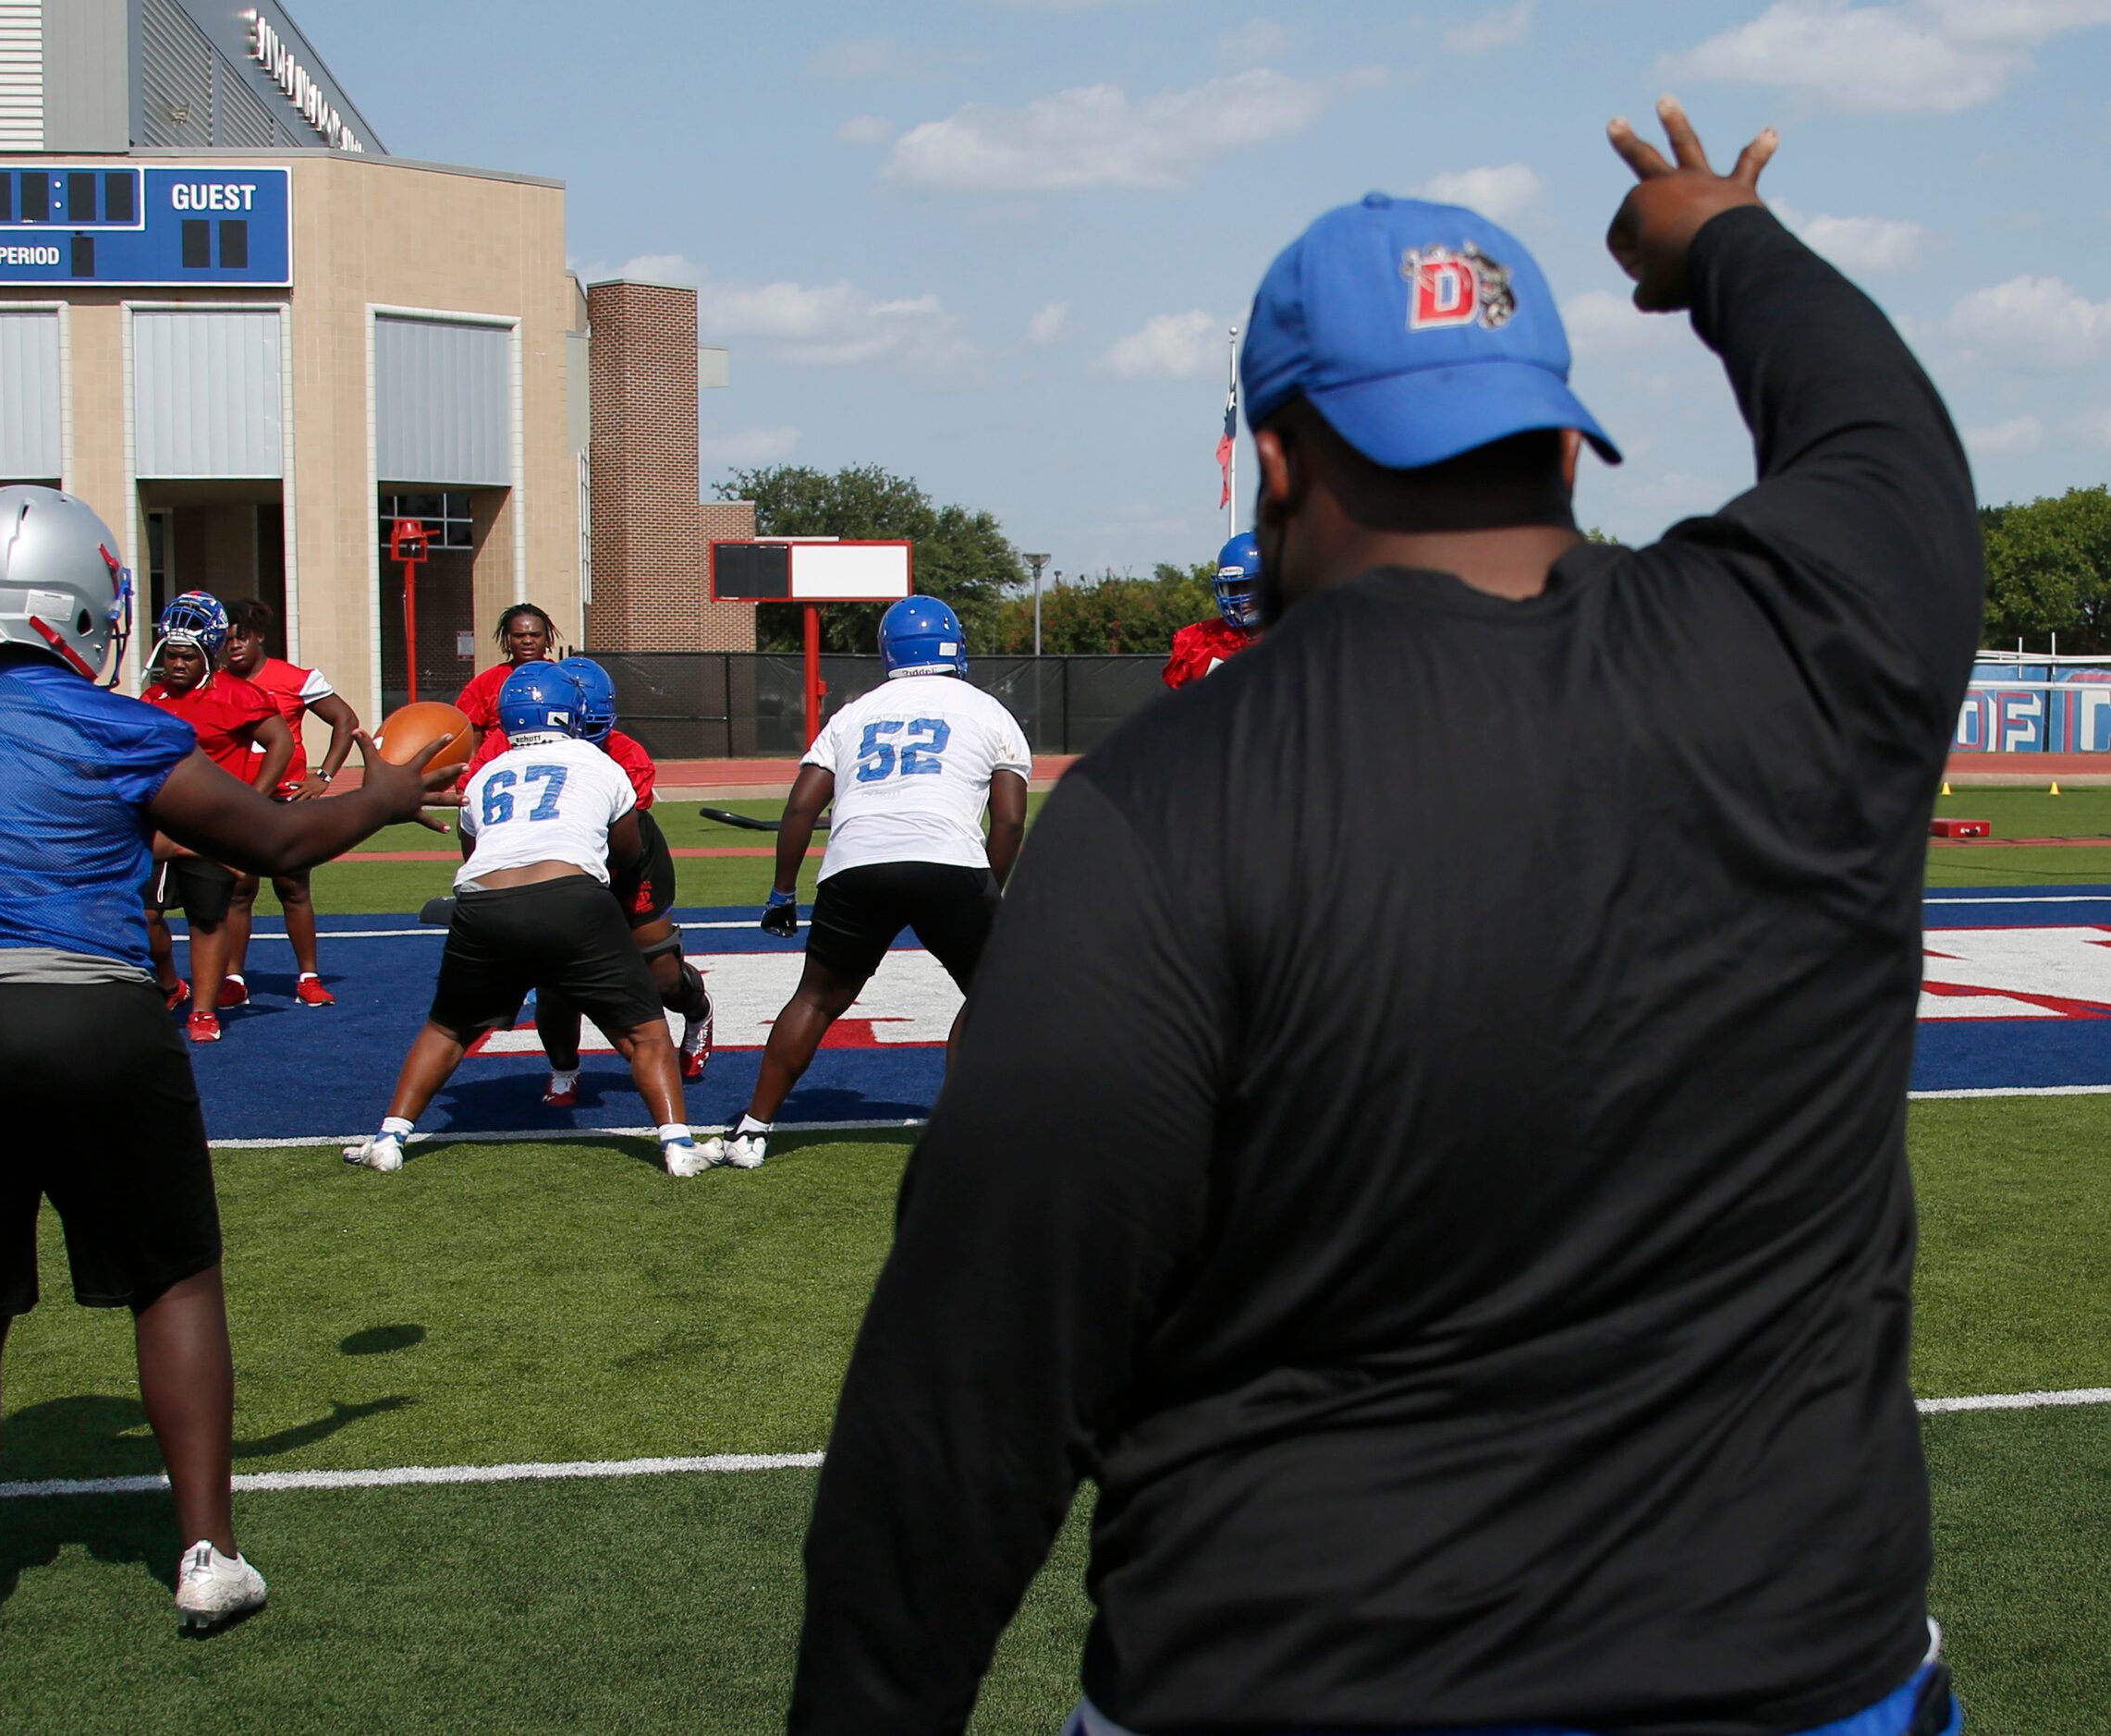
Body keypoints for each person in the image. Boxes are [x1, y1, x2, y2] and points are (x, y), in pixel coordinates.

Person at [788, 104, 1976, 1736]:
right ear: (1562, 443)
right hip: (1799, 1681)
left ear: (1274, 464)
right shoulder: (1816, 653)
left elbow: (966, 1397)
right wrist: (1705, 237)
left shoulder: (1158, 806)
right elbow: (1875, 427)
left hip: (1286, 1672)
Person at [0, 484, 454, 1657]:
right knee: (172, 1279)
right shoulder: (113, 725)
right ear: (75, 604)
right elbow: (272, 841)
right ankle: (205, 1557)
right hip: (80, 1009)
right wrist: (380, 793)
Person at [349, 662, 709, 1178]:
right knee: (645, 1033)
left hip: (482, 904)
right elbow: (627, 852)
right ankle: (678, 1147)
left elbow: (474, 853)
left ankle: (389, 1137)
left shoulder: (488, 772)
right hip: (571, 897)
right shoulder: (596, 759)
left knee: (448, 1029)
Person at [716, 597, 1030, 1170]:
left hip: (855, 862)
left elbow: (799, 810)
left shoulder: (855, 712)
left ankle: (752, 1130)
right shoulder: (987, 711)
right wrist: (989, 891)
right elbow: (1008, 819)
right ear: (956, 647)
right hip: (948, 861)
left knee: (815, 999)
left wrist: (782, 893)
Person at [464, 656, 714, 1101]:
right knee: (556, 980)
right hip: (551, 863)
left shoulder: (625, 754)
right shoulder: (505, 747)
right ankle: (564, 1070)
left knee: (659, 976)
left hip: (624, 860)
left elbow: (622, 838)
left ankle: (697, 1009)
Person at [135, 591, 292, 1041]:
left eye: (187, 656)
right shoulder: (153, 697)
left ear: (207, 653)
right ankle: (170, 983)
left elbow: (279, 743)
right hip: (163, 821)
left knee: (207, 918)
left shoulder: (238, 695)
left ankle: (203, 1010)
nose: (177, 664)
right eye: (171, 655)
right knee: (145, 916)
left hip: (214, 825)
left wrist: (251, 804)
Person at [221, 595, 362, 1007]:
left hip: (286, 799)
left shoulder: (293, 678)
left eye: (242, 638)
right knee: (238, 889)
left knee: (293, 886)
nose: (234, 647)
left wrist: (324, 776)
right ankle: (233, 978)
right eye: (227, 640)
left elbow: (345, 720)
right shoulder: (214, 683)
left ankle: (308, 976)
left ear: (260, 636)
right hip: (236, 801)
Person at [454, 602, 561, 758]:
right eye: (519, 635)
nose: (527, 640)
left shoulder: (564, 680)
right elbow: (470, 739)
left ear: (547, 639)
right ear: (508, 639)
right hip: (498, 768)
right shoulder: (484, 683)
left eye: (535, 635)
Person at [1160, 531, 1265, 689]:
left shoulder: (1297, 639)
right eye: (1234, 587)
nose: (1240, 597)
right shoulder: (1198, 642)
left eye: (1249, 585)